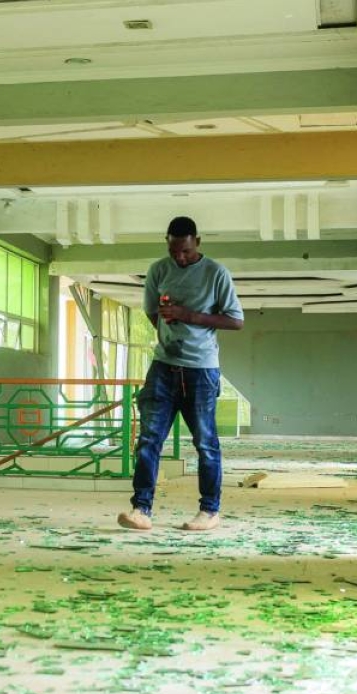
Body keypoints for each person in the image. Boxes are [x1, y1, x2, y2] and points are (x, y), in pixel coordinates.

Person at [118, 216, 244, 532]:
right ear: (168, 243)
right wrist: (169, 332)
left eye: (186, 251)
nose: (180, 258)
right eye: (175, 251)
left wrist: (188, 316)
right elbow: (151, 312)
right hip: (163, 365)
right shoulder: (159, 270)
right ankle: (140, 509)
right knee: (149, 439)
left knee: (205, 443)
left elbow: (235, 321)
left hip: (201, 370)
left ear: (197, 242)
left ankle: (209, 511)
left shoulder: (216, 273)